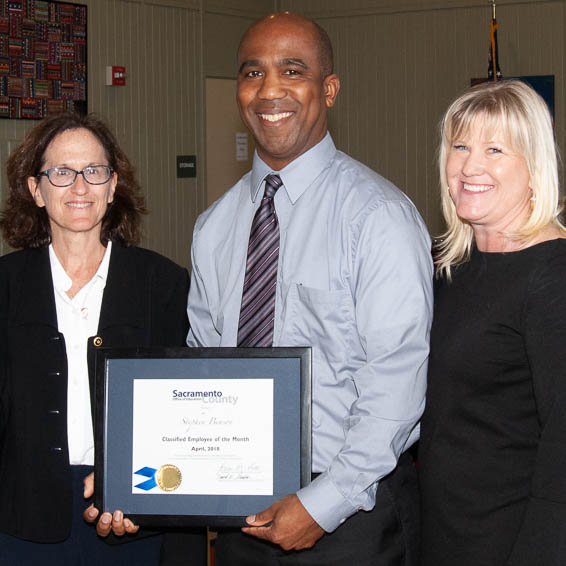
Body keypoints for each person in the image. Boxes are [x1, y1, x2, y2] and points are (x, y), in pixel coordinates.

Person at [187, 12, 433, 566]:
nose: (269, 89)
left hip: (352, 518)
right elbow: (202, 369)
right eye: (253, 73)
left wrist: (323, 503)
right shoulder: (214, 228)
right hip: (240, 514)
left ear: (329, 89)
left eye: (292, 70)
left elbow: (395, 384)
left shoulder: (379, 217)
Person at [0, 112, 206, 565]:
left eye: (94, 172)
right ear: (35, 189)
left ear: (113, 187)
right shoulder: (6, 286)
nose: (79, 187)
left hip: (134, 518)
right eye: (61, 172)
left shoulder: (164, 284)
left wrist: (141, 486)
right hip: (22, 523)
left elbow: (187, 408)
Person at [419, 80, 566, 566]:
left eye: (495, 149)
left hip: (512, 542)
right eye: (459, 146)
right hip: (445, 531)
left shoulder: (552, 278)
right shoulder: (449, 269)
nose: (469, 166)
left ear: (534, 169)